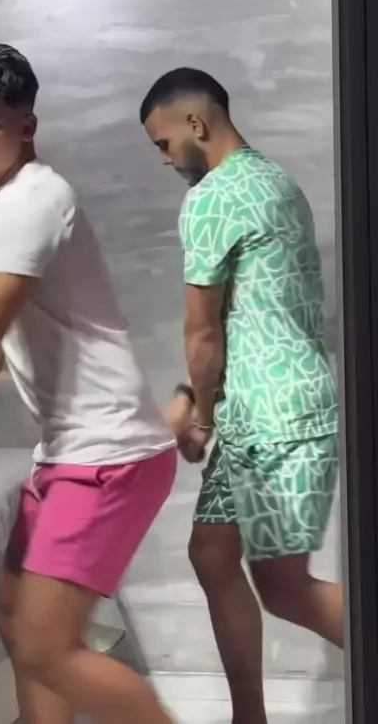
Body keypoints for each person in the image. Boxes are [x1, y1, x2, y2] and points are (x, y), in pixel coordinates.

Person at [0, 43, 178, 724]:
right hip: (68, 452)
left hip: (111, 455)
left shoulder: (34, 199)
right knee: (13, 615)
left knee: (47, 646)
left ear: (26, 126)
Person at [141, 67, 343, 724]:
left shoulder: (213, 197)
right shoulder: (276, 181)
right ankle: (247, 718)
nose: (165, 159)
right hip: (272, 408)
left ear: (195, 123)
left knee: (286, 590)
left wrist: (199, 418)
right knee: (212, 553)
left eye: (164, 143)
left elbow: (204, 330)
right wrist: (200, 400)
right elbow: (251, 314)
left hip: (272, 417)